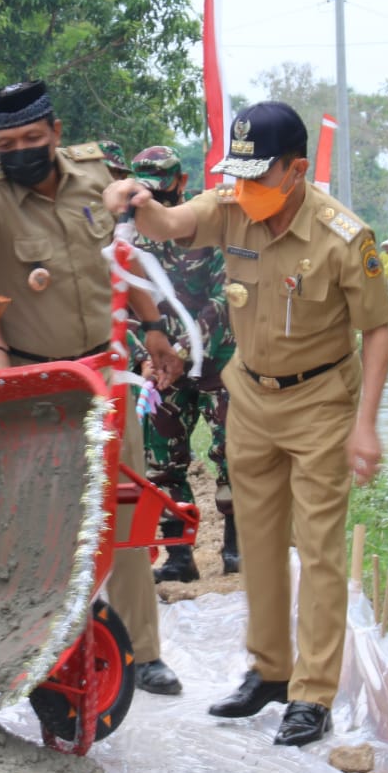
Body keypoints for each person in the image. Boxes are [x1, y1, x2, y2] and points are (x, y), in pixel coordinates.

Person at [102, 101, 388, 747]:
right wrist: (136, 199)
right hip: (251, 399)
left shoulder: (344, 236)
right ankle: (269, 669)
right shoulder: (231, 205)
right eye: (239, 175)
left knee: (317, 549)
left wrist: (365, 424)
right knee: (257, 544)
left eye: (260, 177)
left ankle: (312, 694)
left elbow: (377, 331)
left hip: (320, 402)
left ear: (296, 170)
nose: (245, 190)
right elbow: (172, 220)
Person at [0, 80, 186, 697]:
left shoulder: (96, 174)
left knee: (120, 513)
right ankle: (29, 652)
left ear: (54, 131)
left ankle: (141, 651)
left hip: (106, 377)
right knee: (31, 523)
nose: (19, 150)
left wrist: (153, 327)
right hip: (34, 384)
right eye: (6, 142)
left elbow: (122, 259)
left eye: (30, 138)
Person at [128, 146, 238, 582]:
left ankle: (235, 547)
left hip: (216, 364)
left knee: (232, 453)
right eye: (146, 184)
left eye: (162, 183)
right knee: (162, 460)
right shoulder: (132, 239)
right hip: (162, 372)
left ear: (181, 181)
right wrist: (145, 359)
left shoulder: (207, 227)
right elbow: (124, 308)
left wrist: (184, 350)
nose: (156, 192)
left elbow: (224, 298)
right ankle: (177, 554)